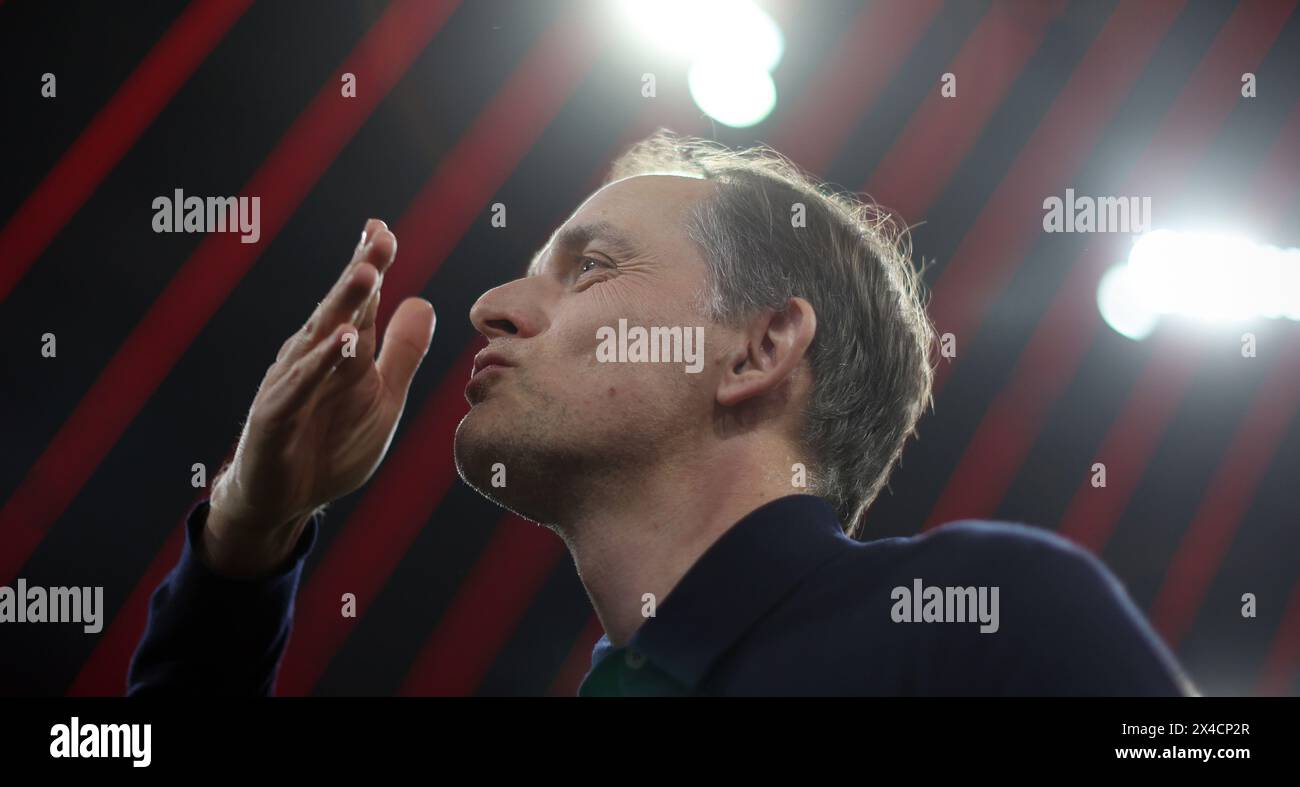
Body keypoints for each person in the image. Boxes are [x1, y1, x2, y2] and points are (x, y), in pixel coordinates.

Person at [128, 131, 1193, 696]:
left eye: (586, 269)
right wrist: (244, 536)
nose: (492, 305)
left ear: (759, 348)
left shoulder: (989, 616)